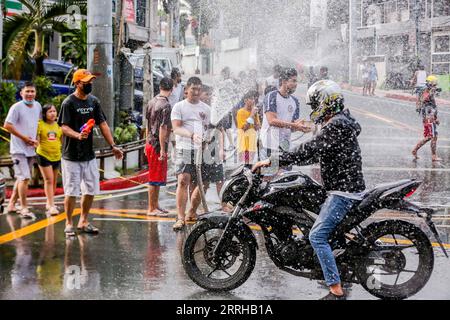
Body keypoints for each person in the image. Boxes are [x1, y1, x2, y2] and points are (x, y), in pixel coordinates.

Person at [252, 80, 366, 300]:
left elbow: (310, 148)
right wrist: (285, 161)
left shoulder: (336, 125)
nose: (314, 110)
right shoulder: (341, 121)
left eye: (315, 104)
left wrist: (273, 160)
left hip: (343, 191)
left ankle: (335, 289)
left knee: (317, 236)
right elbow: (315, 153)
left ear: (326, 102)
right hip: (342, 186)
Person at [58, 69, 123, 237]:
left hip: (89, 155)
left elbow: (103, 125)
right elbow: (63, 127)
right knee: (71, 191)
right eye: (86, 82)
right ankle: (68, 223)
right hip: (71, 156)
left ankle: (83, 220)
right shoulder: (68, 103)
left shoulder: (94, 101)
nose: (90, 84)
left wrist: (113, 145)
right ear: (78, 83)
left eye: (91, 81)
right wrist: (77, 135)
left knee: (91, 189)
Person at [171, 77, 211, 231]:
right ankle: (180, 218)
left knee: (202, 183)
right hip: (185, 146)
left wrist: (207, 141)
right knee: (183, 180)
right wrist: (191, 135)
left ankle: (192, 212)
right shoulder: (179, 107)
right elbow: (176, 128)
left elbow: (207, 128)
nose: (196, 92)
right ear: (187, 89)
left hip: (202, 149)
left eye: (198, 89)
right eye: (193, 88)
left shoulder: (206, 109)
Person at [188, 85, 229, 216]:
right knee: (202, 183)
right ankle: (192, 210)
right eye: (206, 94)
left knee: (219, 179)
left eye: (210, 95)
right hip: (199, 150)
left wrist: (222, 149)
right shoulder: (194, 110)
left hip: (213, 150)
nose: (208, 97)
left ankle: (224, 205)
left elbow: (220, 131)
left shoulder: (213, 111)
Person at [4, 82, 41, 219]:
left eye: (32, 91)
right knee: (25, 178)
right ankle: (24, 207)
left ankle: (12, 204)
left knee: (21, 178)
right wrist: (24, 138)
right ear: (21, 93)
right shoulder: (16, 107)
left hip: (31, 148)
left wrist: (36, 139)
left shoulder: (37, 106)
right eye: (27, 91)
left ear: (35, 93)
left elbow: (39, 124)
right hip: (18, 149)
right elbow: (7, 125)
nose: (30, 94)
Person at [260, 68, 310, 164]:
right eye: (293, 81)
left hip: (285, 146)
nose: (296, 84)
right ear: (284, 81)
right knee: (269, 176)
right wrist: (295, 125)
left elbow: (292, 126)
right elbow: (272, 121)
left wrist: (301, 127)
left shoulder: (295, 101)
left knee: (285, 177)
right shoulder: (272, 96)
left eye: (297, 81)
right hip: (269, 144)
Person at [145, 77, 174, 216]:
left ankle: (155, 205)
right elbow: (163, 128)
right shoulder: (166, 105)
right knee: (154, 178)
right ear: (172, 89)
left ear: (160, 87)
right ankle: (151, 208)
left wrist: (146, 142)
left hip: (150, 143)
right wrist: (163, 149)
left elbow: (147, 125)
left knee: (156, 177)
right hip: (157, 145)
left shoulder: (151, 102)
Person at [36, 104, 63, 216]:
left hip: (56, 156)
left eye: (54, 111)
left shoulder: (59, 125)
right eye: (49, 111)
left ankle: (49, 202)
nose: (52, 113)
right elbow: (36, 140)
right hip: (43, 155)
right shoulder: (40, 124)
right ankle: (51, 206)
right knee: (48, 180)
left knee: (54, 180)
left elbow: (60, 140)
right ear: (44, 114)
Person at [412, 75, 442, 162]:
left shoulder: (430, 92)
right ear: (430, 84)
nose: (435, 86)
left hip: (431, 118)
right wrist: (430, 92)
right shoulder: (426, 92)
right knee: (432, 136)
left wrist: (436, 118)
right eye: (434, 84)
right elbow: (424, 100)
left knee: (431, 136)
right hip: (429, 119)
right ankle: (433, 156)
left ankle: (415, 150)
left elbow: (434, 107)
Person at [236, 90, 261, 166]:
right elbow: (244, 128)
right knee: (245, 165)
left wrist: (255, 115)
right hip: (244, 143)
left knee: (250, 164)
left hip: (252, 143)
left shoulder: (254, 112)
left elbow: (257, 127)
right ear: (245, 100)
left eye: (254, 99)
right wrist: (252, 115)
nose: (253, 101)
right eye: (251, 99)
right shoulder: (240, 112)